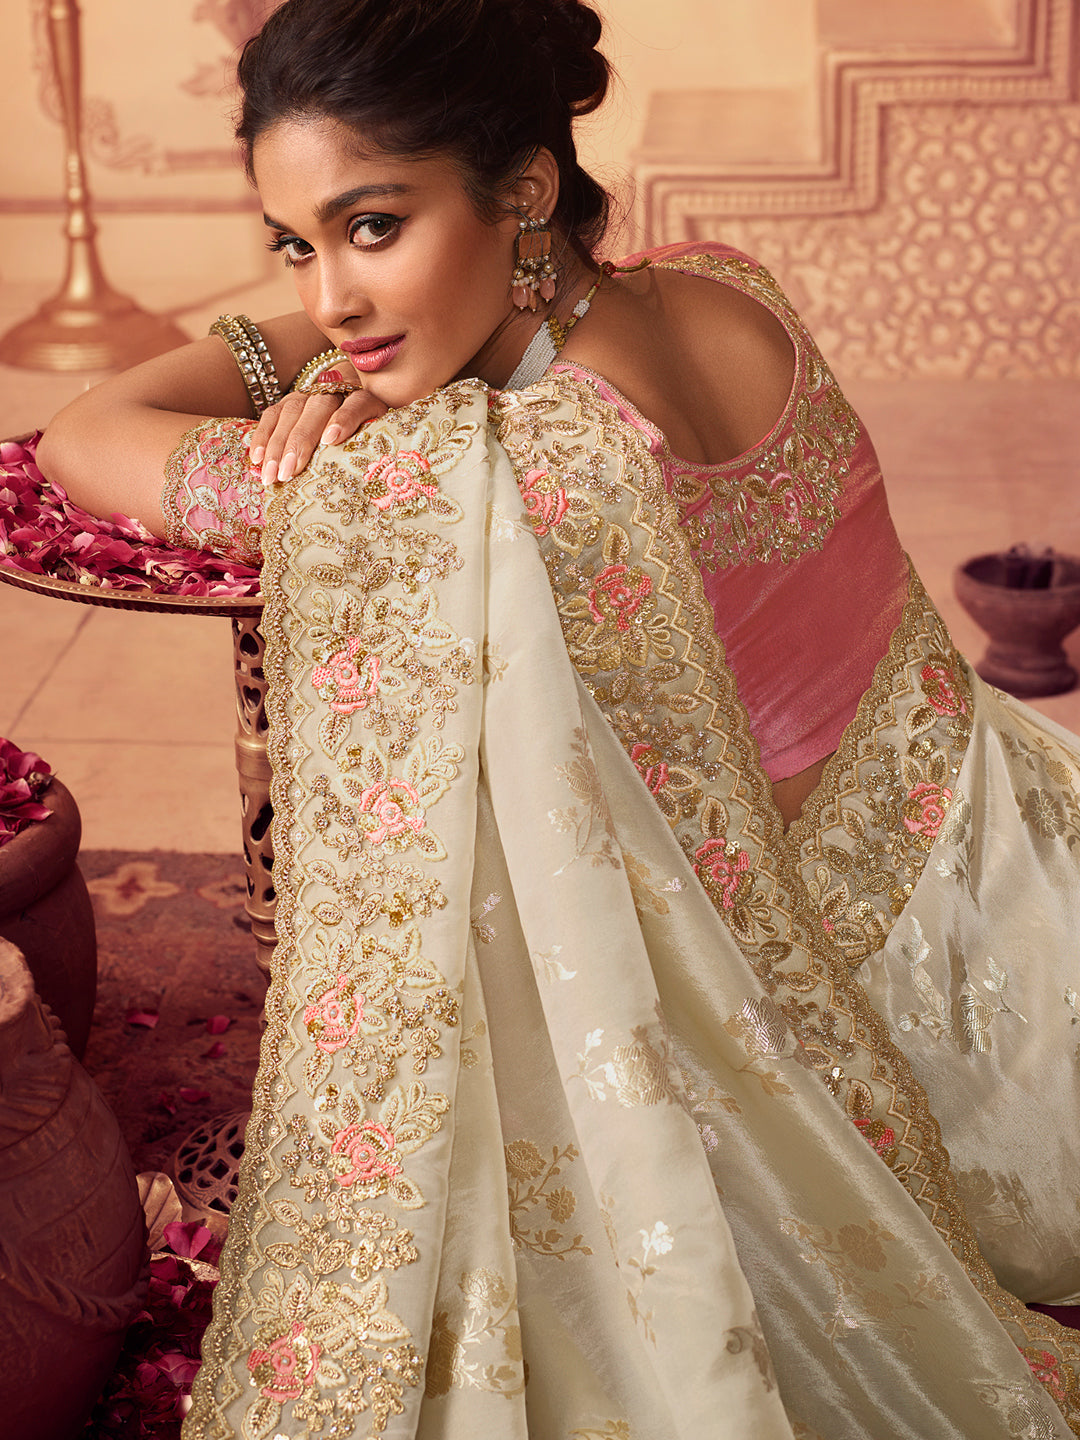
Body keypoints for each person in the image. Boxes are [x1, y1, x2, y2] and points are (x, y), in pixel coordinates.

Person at [35, 1, 1080, 1436]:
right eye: (295, 244)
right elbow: (411, 315)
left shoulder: (522, 477)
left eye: (373, 225)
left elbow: (86, 433)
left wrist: (316, 404)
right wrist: (370, 321)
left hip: (918, 1031)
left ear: (525, 187)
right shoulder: (728, 289)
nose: (330, 295)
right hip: (1029, 859)